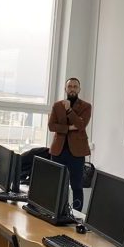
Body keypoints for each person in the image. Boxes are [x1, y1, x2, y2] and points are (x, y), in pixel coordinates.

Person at [48, 78, 91, 212]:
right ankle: (59, 211)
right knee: (58, 184)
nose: (72, 89)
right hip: (58, 151)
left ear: (79, 89)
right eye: (70, 86)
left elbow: (81, 125)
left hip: (77, 153)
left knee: (76, 186)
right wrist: (69, 128)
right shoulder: (57, 106)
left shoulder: (86, 106)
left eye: (75, 87)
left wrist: (69, 110)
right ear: (65, 89)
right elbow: (51, 126)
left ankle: (76, 215)